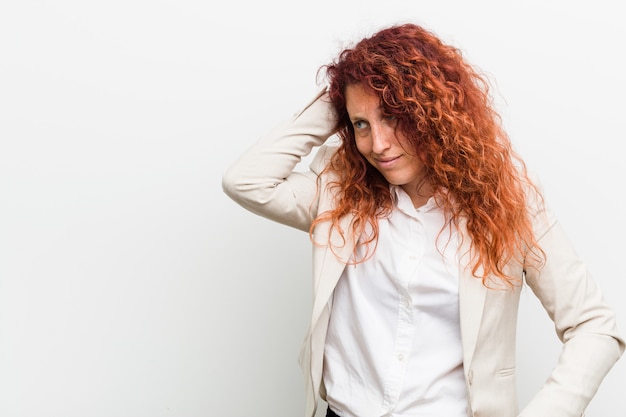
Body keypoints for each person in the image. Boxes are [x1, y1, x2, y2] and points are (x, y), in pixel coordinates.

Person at [222, 23, 624, 417]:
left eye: (394, 116)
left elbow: (594, 326)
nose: (377, 145)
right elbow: (246, 181)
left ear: (434, 113)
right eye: (361, 125)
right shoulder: (339, 191)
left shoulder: (507, 200)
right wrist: (342, 93)